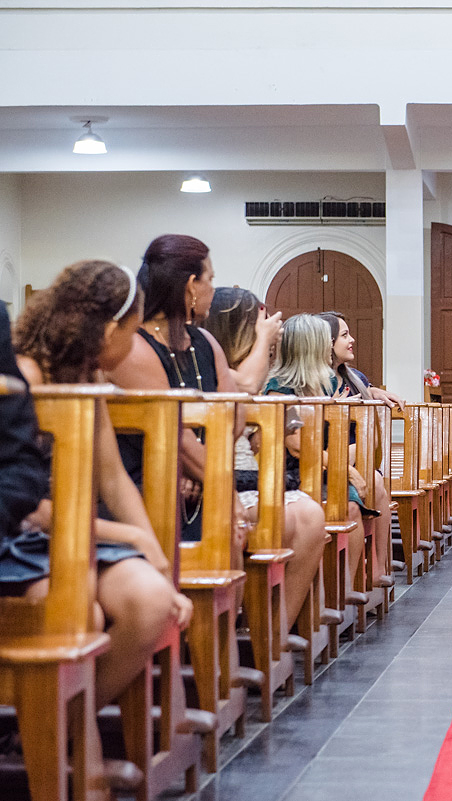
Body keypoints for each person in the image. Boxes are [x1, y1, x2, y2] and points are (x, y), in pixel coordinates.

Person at [8, 260, 192, 710]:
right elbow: (29, 505)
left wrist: (162, 567)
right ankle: (57, 735)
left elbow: (113, 481)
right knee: (82, 610)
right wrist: (128, 535)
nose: (133, 347)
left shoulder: (87, 379)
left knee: (149, 600)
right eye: (133, 332)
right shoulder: (26, 377)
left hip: (77, 536)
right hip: (21, 539)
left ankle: (70, 724)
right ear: (109, 332)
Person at [106, 234, 247, 546]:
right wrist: (223, 490)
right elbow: (176, 439)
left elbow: (235, 416)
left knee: (300, 519)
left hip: (204, 475)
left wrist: (203, 474)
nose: (214, 287)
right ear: (191, 285)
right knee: (229, 529)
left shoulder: (205, 342)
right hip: (148, 486)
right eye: (210, 278)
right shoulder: (135, 348)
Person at [203, 287, 327, 632]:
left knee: (310, 515)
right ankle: (259, 633)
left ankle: (275, 632)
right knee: (301, 516)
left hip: (253, 479)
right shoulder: (215, 370)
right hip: (218, 480)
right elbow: (241, 394)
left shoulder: (257, 372)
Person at [265, 313, 369, 593]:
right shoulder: (279, 389)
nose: (330, 346)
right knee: (345, 504)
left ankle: (341, 594)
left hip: (317, 470)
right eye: (325, 341)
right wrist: (346, 469)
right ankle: (328, 596)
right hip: (291, 474)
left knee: (352, 506)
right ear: (309, 347)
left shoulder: (322, 385)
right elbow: (297, 445)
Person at [317, 310, 398, 582]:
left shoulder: (356, 379)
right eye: (344, 335)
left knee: (375, 482)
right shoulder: (315, 382)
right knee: (372, 480)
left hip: (356, 461)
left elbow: (368, 423)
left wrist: (373, 391)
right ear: (326, 342)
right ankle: (356, 578)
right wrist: (349, 458)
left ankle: (377, 567)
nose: (352, 340)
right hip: (323, 463)